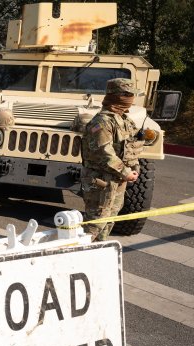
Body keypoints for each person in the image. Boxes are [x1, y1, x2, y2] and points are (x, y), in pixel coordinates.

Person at [81, 78, 145, 241]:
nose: (131, 99)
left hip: (117, 180)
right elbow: (104, 152)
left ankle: (96, 252)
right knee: (95, 221)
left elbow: (130, 147)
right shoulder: (102, 122)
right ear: (118, 96)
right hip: (101, 180)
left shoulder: (124, 120)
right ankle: (78, 253)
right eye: (128, 95)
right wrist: (125, 172)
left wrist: (134, 168)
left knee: (109, 219)